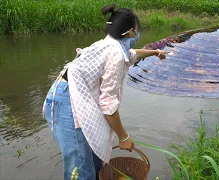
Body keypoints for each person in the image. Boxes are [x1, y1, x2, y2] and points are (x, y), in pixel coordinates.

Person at [42, 4, 169, 180]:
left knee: (96, 161)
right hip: (66, 103)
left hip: (75, 97)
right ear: (131, 31)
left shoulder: (111, 45)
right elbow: (108, 105)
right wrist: (124, 137)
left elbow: (133, 54)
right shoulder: (114, 53)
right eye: (137, 30)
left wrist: (155, 52)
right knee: (80, 170)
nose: (137, 34)